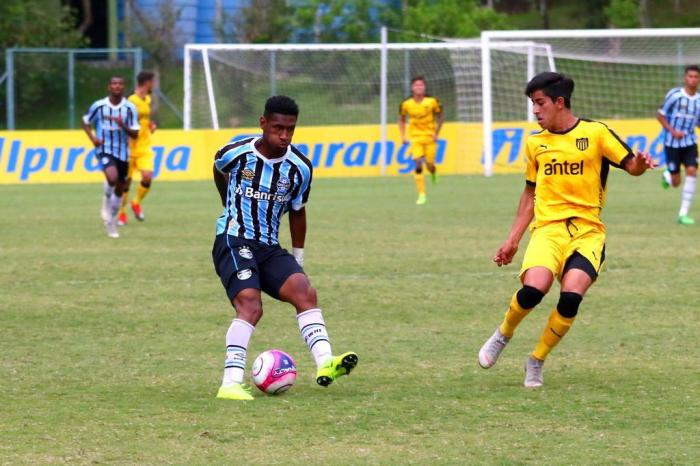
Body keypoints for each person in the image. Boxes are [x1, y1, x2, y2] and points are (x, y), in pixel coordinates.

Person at [477, 72, 656, 388]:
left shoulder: (596, 133)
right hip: (547, 230)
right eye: (533, 103)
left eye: (540, 103)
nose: (535, 110)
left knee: (571, 297)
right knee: (534, 290)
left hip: (587, 232)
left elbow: (631, 166)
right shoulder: (536, 142)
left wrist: (641, 163)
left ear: (560, 102)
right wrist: (512, 240)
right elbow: (530, 192)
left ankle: (536, 360)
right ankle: (503, 334)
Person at [212, 95, 359, 401]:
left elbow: (298, 210)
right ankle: (230, 382)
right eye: (278, 128)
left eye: (290, 129)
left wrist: (298, 257)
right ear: (263, 123)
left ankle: (326, 363)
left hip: (269, 246)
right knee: (251, 305)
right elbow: (218, 167)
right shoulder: (236, 152)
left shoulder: (300, 167)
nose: (284, 136)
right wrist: (227, 202)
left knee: (304, 291)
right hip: (233, 238)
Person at [82, 76, 140, 238]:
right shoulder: (99, 106)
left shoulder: (130, 108)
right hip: (104, 149)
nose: (117, 86)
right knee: (112, 177)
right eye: (114, 83)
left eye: (120, 84)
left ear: (123, 87)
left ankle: (111, 222)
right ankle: (106, 200)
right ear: (109, 87)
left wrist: (122, 125)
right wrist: (93, 138)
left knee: (121, 188)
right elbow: (85, 121)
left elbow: (135, 134)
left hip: (123, 153)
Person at [658, 65, 700, 225]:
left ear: (699, 79)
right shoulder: (675, 95)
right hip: (672, 143)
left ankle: (683, 214)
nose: (693, 79)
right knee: (676, 182)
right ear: (685, 78)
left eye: (696, 77)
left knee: (692, 171)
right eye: (690, 76)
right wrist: (672, 131)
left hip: (690, 142)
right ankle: (668, 175)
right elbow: (660, 115)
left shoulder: (699, 101)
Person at [118, 71, 157, 226]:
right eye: (152, 82)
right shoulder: (131, 100)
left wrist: (150, 125)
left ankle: (136, 202)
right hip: (129, 147)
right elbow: (124, 121)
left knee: (147, 176)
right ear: (146, 82)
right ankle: (121, 213)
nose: (153, 85)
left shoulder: (147, 98)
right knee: (125, 183)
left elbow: (144, 119)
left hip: (144, 145)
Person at [399, 76, 444, 205]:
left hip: (430, 137)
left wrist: (436, 133)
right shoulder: (406, 104)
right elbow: (401, 119)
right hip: (415, 137)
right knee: (418, 163)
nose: (419, 87)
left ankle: (433, 172)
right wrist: (403, 136)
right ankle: (422, 194)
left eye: (421, 85)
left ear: (425, 88)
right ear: (412, 88)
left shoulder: (432, 101)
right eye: (416, 85)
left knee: (429, 165)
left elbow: (440, 116)